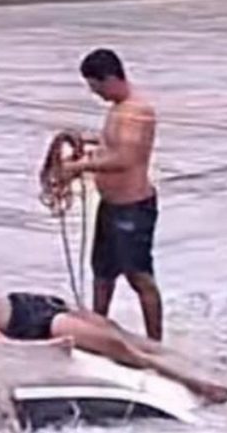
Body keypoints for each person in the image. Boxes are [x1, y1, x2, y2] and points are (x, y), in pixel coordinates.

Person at [0, 246, 227, 405]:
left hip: (28, 301)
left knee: (119, 332)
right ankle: (195, 383)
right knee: (122, 349)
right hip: (32, 322)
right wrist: (39, 349)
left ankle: (192, 363)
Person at [61, 49, 163, 340]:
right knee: (103, 274)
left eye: (96, 87)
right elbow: (114, 143)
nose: (95, 94)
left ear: (110, 79)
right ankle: (98, 330)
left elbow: (125, 158)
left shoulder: (135, 111)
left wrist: (79, 166)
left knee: (139, 276)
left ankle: (155, 342)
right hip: (110, 205)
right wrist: (86, 140)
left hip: (132, 207)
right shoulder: (119, 108)